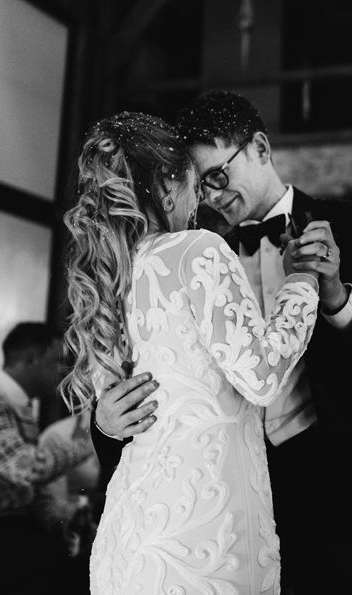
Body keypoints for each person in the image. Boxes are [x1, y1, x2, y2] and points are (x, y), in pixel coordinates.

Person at [91, 92, 352, 595]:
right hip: (230, 499)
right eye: (199, 181)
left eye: (219, 174)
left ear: (259, 147)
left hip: (341, 484)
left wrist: (338, 296)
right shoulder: (186, 250)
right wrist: (104, 423)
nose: (211, 196)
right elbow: (148, 366)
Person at [60, 111, 320, 595]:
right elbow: (261, 377)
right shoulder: (195, 249)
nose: (201, 199)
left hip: (131, 533)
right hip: (207, 529)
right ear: (167, 180)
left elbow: (123, 414)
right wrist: (302, 281)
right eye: (195, 183)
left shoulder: (104, 280)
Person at [0, 322, 93, 592]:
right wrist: (92, 439)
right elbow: (27, 469)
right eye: (57, 361)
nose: (64, 371)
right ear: (30, 359)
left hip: (8, 526)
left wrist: (57, 518)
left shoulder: (16, 405)